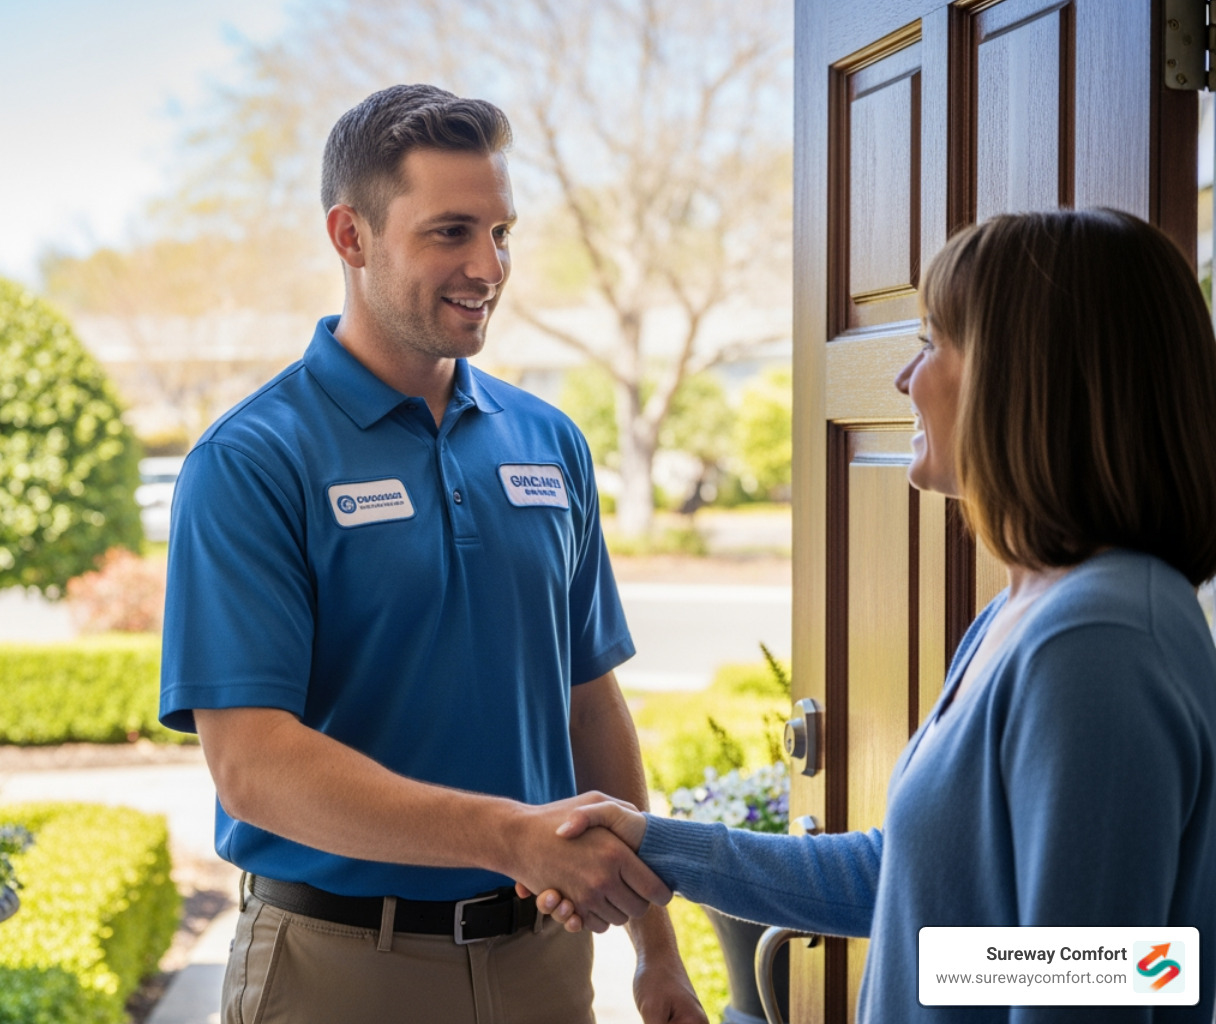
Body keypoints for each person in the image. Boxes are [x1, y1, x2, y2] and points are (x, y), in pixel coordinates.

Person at [533, 208, 1216, 1023]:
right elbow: (906, 882)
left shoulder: (1099, 641)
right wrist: (660, 844)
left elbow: (1089, 981)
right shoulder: (1030, 606)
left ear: (1024, 377)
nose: (904, 379)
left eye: (932, 344)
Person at [158, 84, 705, 1024]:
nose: (487, 265)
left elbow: (587, 699)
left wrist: (657, 949)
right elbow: (251, 764)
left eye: (501, 233)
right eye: (450, 232)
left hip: (543, 965)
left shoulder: (549, 442)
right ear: (350, 235)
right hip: (337, 971)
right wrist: (510, 838)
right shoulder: (252, 458)